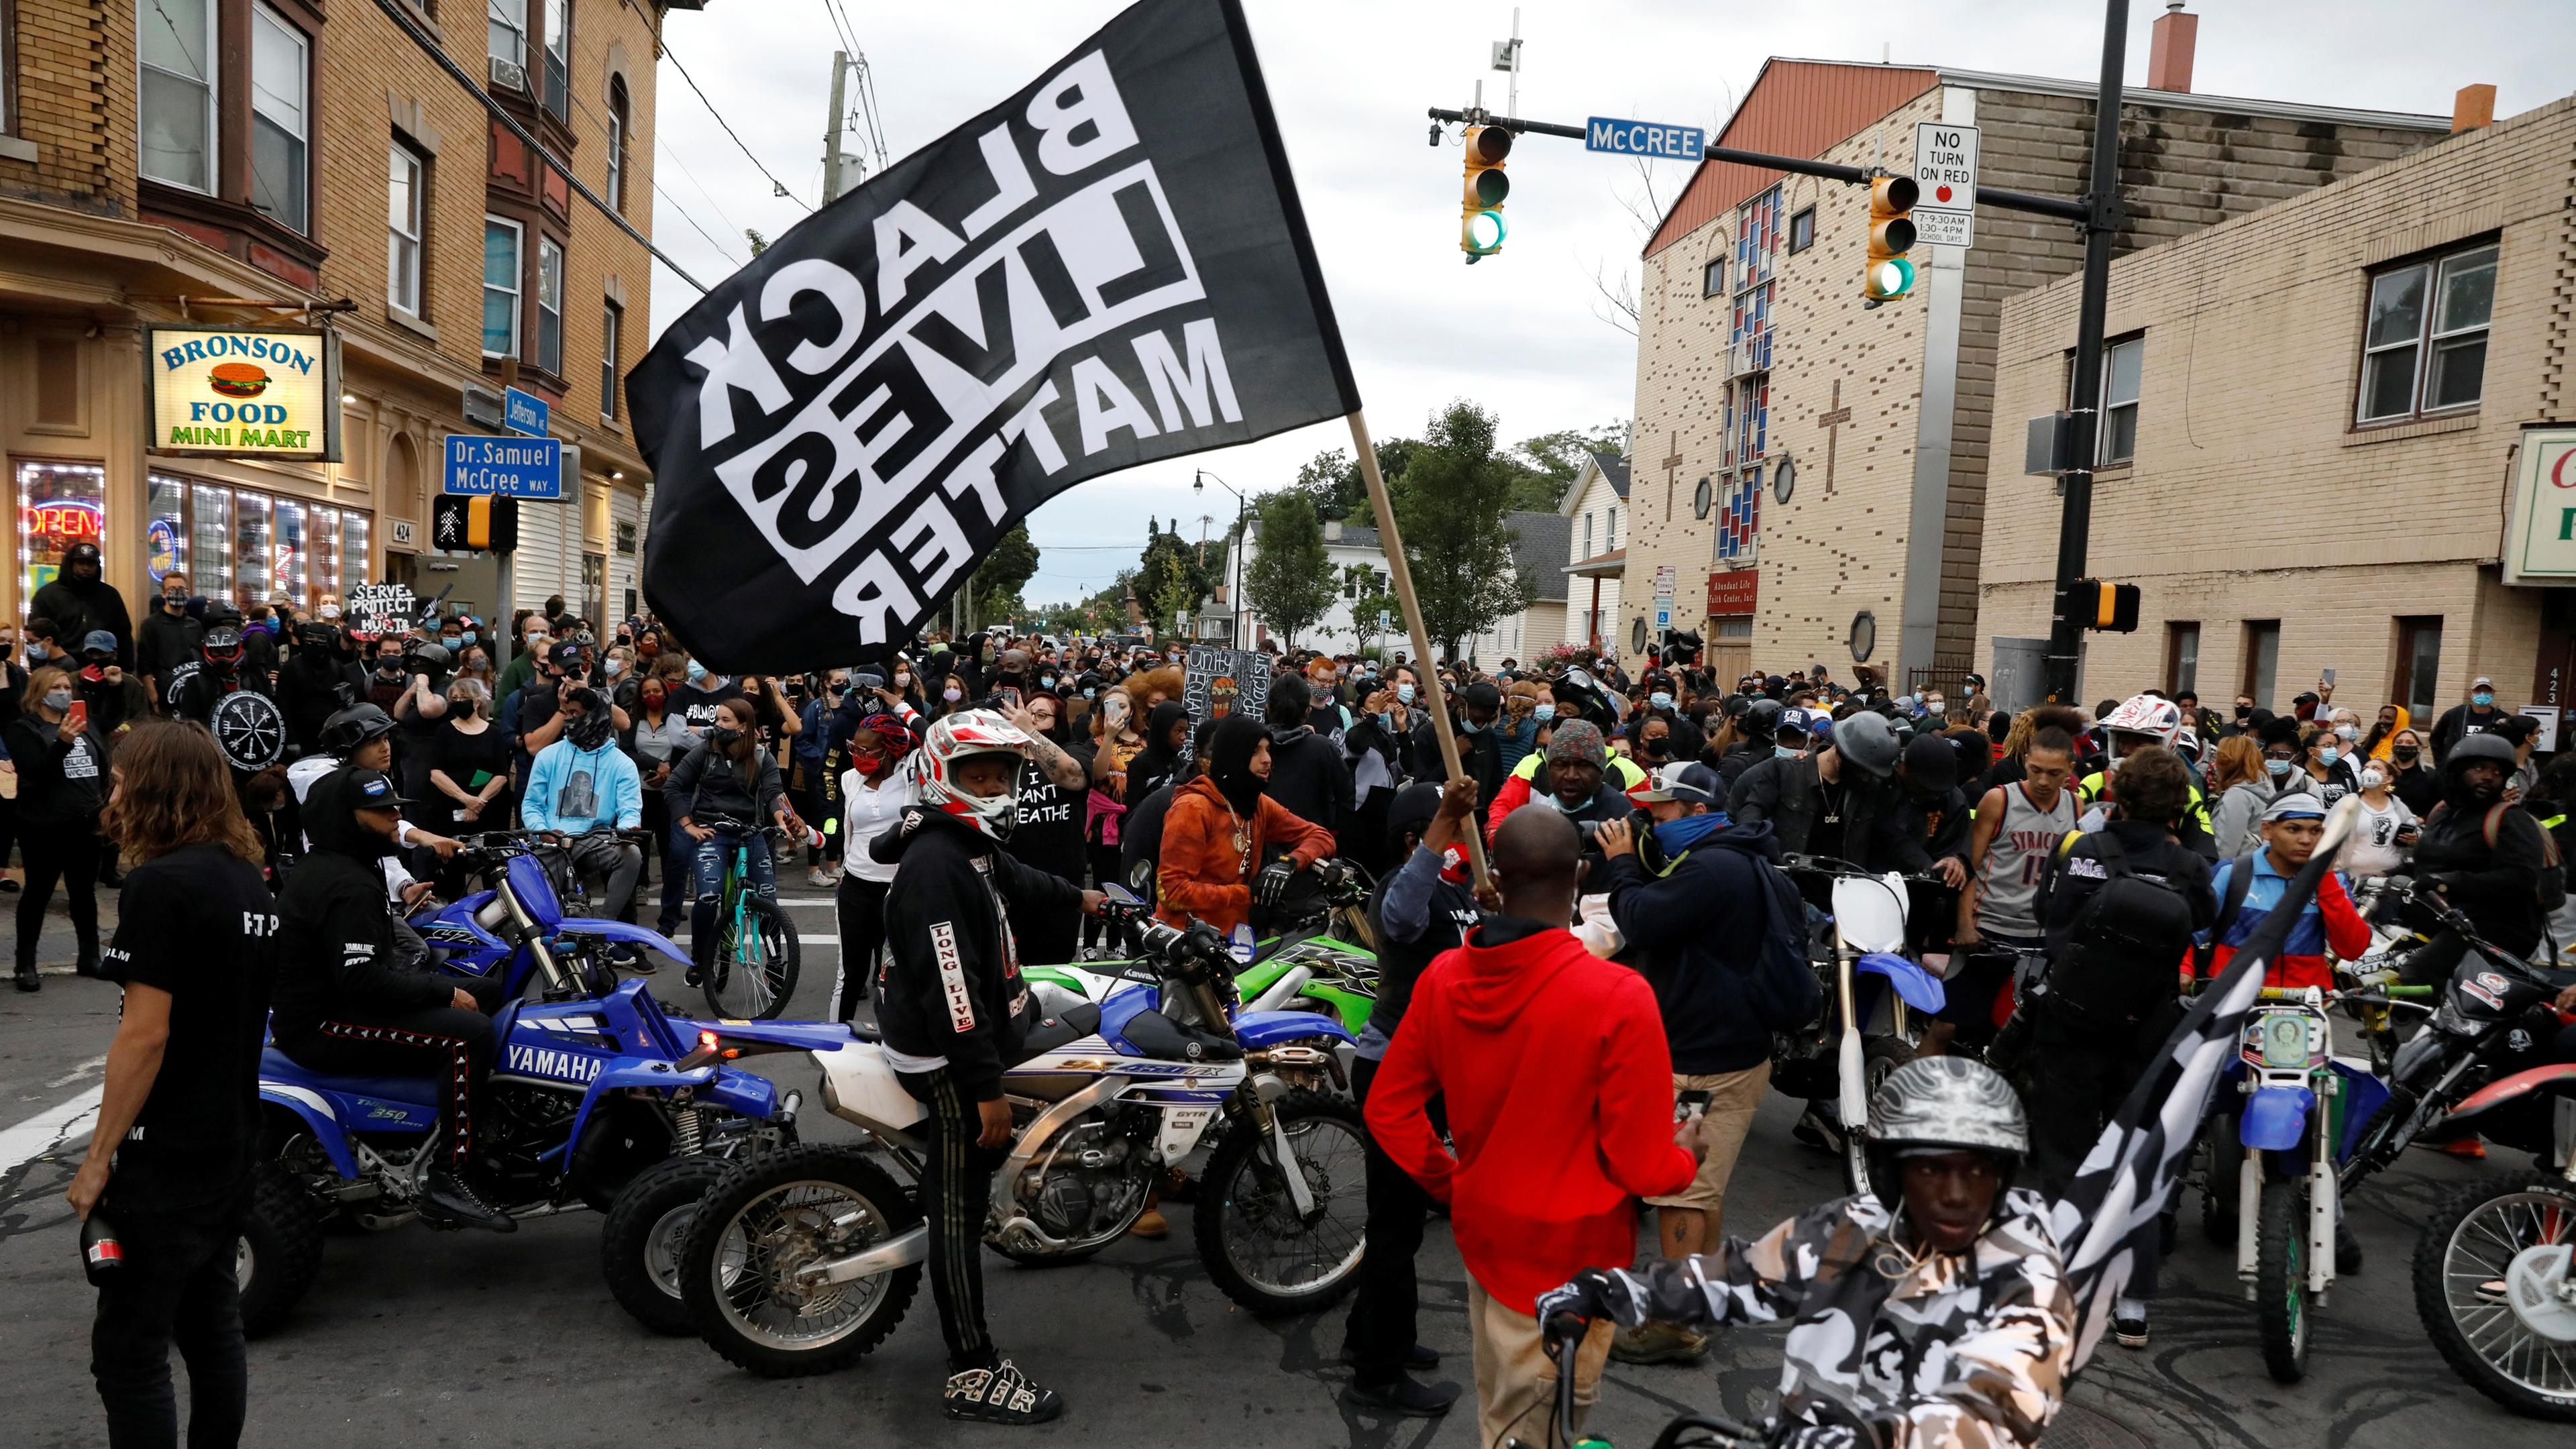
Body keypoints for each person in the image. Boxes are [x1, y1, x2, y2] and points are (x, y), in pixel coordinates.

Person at [1365, 808, 1699, 1449]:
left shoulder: (1443, 977)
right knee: (1535, 1429)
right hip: (1573, 1262)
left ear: (1493, 878)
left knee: (1505, 1416)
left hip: (1486, 1232)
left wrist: (1451, 1182)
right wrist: (1685, 1156)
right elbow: (1642, 1167)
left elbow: (1389, 1107)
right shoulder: (1618, 998)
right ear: (1578, 875)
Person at [1538, 1057, 2073, 1449]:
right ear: (1891, 1173)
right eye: (1932, 1169)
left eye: (1979, 1171)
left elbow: (2002, 1410)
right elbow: (1746, 1275)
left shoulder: (2028, 1280)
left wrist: (1870, 1441)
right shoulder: (1858, 1226)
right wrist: (1615, 1290)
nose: (1958, 1193)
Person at [869, 711, 1102, 1424]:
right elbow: (954, 992)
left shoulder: (967, 843)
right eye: (980, 773)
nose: (995, 783)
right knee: (956, 1214)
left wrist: (1084, 897)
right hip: (946, 1059)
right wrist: (983, 1090)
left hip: (970, 1031)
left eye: (1003, 771)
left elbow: (1018, 877)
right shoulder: (937, 864)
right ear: (945, 775)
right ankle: (971, 1371)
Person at [64, 720, 278, 1448]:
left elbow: (145, 1033)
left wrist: (98, 1158)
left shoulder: (159, 887)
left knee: (129, 1353)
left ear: (155, 790)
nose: (113, 791)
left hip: (170, 1152)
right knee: (211, 1323)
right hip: (232, 1138)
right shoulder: (244, 877)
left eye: (123, 779)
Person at [1595, 765, 1813, 1367]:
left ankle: (1674, 1323)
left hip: (1707, 1065)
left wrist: (1621, 863)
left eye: (1658, 813)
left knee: (1682, 1188)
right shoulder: (1734, 858)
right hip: (1724, 1052)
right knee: (1702, 1183)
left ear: (1696, 813)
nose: (1646, 822)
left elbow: (1639, 919)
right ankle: (1699, 1301)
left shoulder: (1711, 869)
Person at [270, 767, 512, 1230]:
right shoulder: (347, 884)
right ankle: (450, 1175)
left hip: (346, 1001)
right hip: (322, 1024)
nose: (392, 822)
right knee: (470, 1035)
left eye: (394, 811)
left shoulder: (348, 867)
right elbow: (360, 979)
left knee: (488, 988)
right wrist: (442, 990)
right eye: (381, 813)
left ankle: (474, 1118)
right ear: (345, 819)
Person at [2031, 745, 2212, 1347]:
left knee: (2066, 1154)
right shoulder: (2190, 868)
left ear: (2118, 794)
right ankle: (2132, 1303)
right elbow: (2205, 924)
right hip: (2149, 1030)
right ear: (2177, 806)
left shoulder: (2085, 851)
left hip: (2072, 1021)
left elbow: (2048, 917)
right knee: (2139, 1162)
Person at [1341, 778, 1482, 1417]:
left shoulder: (1457, 888)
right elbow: (1401, 917)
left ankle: (1367, 1336)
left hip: (1435, 1074)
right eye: (1448, 830)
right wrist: (1441, 829)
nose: (1458, 840)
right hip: (1395, 1074)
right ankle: (1378, 1374)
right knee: (1395, 1227)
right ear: (1416, 838)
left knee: (1401, 1222)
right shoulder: (1399, 889)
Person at [1937, 724, 2081, 1059]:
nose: (2044, 781)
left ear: (2070, 770)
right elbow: (1969, 867)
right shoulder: (1999, 800)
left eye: (2054, 773)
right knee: (1946, 1025)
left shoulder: (2076, 807)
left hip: (2039, 940)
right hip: (1990, 933)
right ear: (2026, 760)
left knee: (2025, 1037)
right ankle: (1907, 1104)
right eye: (2036, 770)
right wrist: (1964, 925)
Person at [664, 696, 807, 987]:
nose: (717, 725)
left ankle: (776, 961)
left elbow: (773, 792)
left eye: (725, 720)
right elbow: (673, 787)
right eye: (716, 719)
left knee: (768, 899)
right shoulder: (704, 751)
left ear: (743, 727)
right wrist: (688, 825)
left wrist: (781, 820)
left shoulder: (761, 755)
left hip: (750, 832)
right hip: (712, 832)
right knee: (709, 896)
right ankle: (700, 958)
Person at [1154, 714, 1336, 937]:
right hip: (1185, 942)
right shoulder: (1193, 808)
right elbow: (1172, 892)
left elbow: (1321, 837)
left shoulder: (1258, 804)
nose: (1267, 759)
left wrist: (1289, 863)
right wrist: (1247, 895)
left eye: (1268, 750)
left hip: (1233, 941)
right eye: (1255, 752)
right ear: (1235, 757)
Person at [2404, 731, 2555, 984]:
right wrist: (2388, 875)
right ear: (2457, 771)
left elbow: (2522, 878)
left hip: (2495, 926)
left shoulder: (2509, 818)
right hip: (2443, 918)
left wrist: (2449, 881)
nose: (2488, 777)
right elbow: (2427, 862)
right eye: (2479, 768)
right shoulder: (2443, 813)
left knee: (2418, 973)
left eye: (2497, 772)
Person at [10, 666, 109, 987]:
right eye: (57, 687)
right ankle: (25, 963)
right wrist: (62, 743)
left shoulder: (84, 724)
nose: (65, 692)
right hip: (44, 827)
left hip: (86, 823)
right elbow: (35, 775)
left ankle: (89, 956)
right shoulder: (24, 729)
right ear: (39, 693)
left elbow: (101, 766)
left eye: (68, 686)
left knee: (84, 893)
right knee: (38, 893)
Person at [521, 687, 645, 924]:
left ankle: (603, 925)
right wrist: (543, 832)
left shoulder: (622, 763)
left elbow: (630, 809)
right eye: (567, 713)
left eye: (575, 714)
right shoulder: (548, 756)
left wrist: (628, 830)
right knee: (533, 910)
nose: (568, 719)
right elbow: (532, 805)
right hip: (552, 842)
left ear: (595, 716)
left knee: (631, 856)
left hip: (595, 841)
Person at [831, 712, 917, 1022]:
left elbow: (933, 739)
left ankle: (898, 1040)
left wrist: (906, 711)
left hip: (901, 887)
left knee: (901, 971)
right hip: (856, 885)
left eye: (866, 751)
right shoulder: (850, 780)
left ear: (890, 750)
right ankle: (836, 1045)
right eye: (854, 748)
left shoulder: (914, 773)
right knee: (850, 973)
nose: (858, 756)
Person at [998, 690, 1093, 965]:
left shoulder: (1075, 750)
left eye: (1042, 716)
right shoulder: (1007, 757)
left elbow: (1070, 776)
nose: (1033, 719)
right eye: (1029, 713)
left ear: (1058, 721)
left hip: (1062, 883)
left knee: (1055, 964)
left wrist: (1030, 732)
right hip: (1016, 883)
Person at [1260, 675, 1354, 855]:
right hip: (1309, 848)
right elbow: (1346, 795)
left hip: (1257, 847)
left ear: (1268, 708)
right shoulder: (1322, 747)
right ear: (1308, 712)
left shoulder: (1250, 745)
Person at [34, 540, 133, 669]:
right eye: (81, 563)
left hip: (103, 669)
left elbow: (124, 636)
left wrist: (127, 670)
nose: (86, 568)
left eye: (91, 564)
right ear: (71, 564)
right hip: (60, 672)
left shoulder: (110, 595)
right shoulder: (47, 595)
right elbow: (36, 638)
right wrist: (38, 672)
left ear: (97, 567)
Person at [2341, 753, 2420, 879]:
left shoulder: (2399, 807)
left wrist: (2414, 840)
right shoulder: (2348, 804)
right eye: (2365, 769)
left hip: (2390, 880)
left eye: (2376, 768)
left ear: (2389, 779)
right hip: (2351, 879)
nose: (2368, 771)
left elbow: (2415, 837)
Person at [2430, 676, 2508, 763]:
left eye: (2487, 691)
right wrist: (2441, 764)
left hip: (2488, 768)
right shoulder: (2455, 714)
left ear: (2493, 693)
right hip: (2458, 768)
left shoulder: (2501, 718)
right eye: (2478, 691)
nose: (2482, 694)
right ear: (2471, 693)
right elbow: (2436, 737)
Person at [2385, 727, 2440, 816]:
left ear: (2419, 748)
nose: (2404, 745)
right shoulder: (2385, 773)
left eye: (2409, 743)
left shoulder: (2430, 775)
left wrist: (2423, 819)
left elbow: (2439, 804)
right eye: (2399, 742)